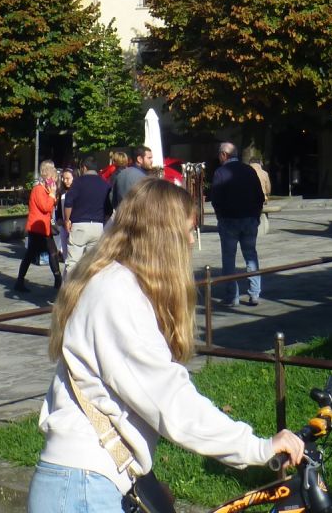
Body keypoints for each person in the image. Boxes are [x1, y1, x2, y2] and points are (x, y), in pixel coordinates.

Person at [30, 179, 303, 512]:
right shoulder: (118, 293)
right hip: (84, 487)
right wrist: (256, 448)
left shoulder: (110, 282)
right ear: (161, 236)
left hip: (85, 480)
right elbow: (168, 399)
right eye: (187, 231)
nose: (191, 241)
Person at [208, 142, 263, 306]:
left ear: (224, 155)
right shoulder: (249, 170)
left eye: (219, 154)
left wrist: (220, 215)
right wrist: (256, 215)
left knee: (229, 258)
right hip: (249, 219)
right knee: (251, 256)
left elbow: (216, 198)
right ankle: (254, 294)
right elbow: (259, 196)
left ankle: (233, 296)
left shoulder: (220, 172)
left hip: (229, 220)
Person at [16, 162, 63, 295]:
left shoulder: (44, 189)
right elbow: (45, 207)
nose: (53, 182)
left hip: (43, 227)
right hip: (37, 228)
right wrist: (52, 195)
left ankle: (57, 279)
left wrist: (52, 195)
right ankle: (57, 280)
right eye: (53, 179)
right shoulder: (38, 189)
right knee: (36, 253)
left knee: (48, 252)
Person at [63, 157, 110, 275]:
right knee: (93, 263)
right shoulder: (105, 184)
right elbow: (108, 207)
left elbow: (68, 202)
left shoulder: (78, 182)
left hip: (79, 225)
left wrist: (67, 220)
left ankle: (69, 291)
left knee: (73, 262)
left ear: (84, 168)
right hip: (98, 226)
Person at [106, 146, 150, 213]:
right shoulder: (141, 176)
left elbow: (112, 198)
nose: (152, 160)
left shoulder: (117, 174)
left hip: (123, 214)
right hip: (139, 215)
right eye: (149, 158)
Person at [53, 165, 75, 262]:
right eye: (64, 178)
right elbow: (58, 209)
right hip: (63, 227)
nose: (65, 181)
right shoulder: (61, 192)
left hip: (74, 226)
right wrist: (59, 219)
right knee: (66, 255)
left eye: (68, 178)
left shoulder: (76, 191)